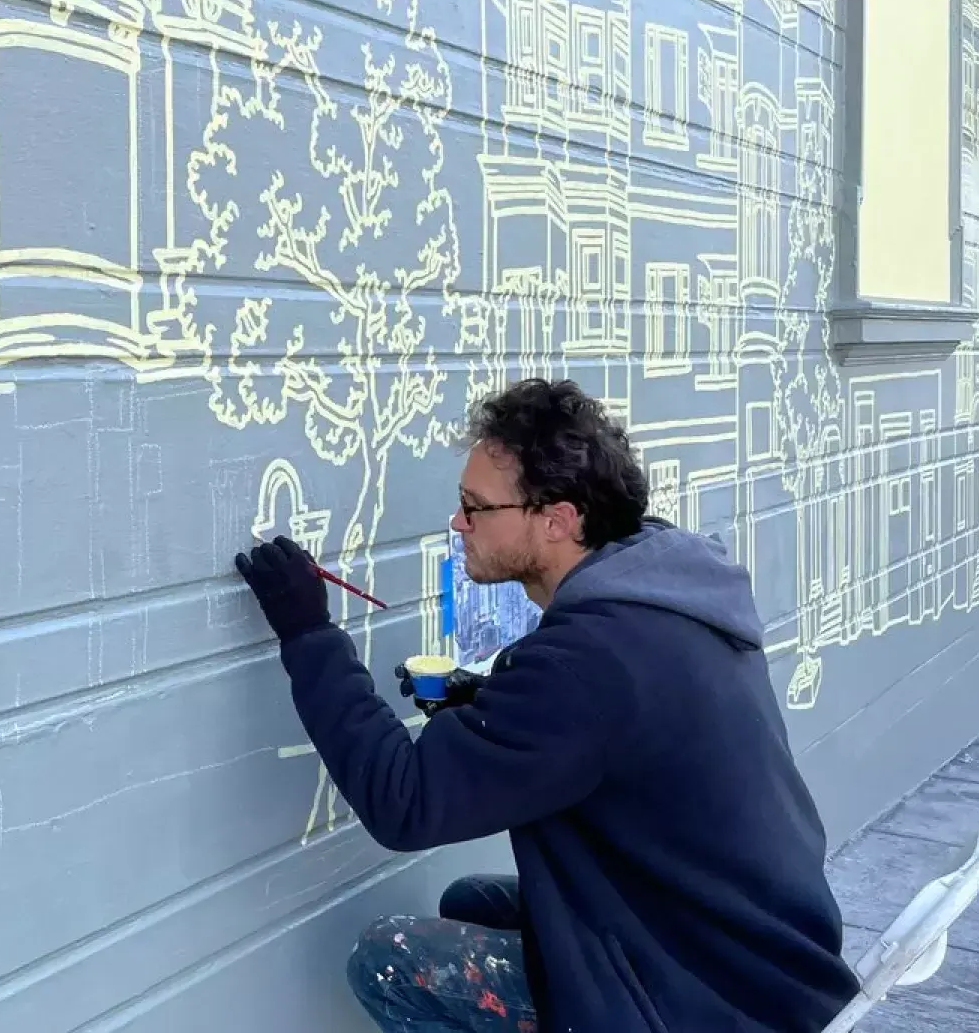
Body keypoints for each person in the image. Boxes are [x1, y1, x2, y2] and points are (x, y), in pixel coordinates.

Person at [234, 378, 860, 1033]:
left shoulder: (589, 661)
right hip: (762, 958)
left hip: (706, 1000)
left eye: (476, 508)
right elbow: (600, 733)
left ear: (556, 520)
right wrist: (481, 698)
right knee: (470, 901)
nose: (458, 523)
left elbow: (406, 804)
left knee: (388, 958)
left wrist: (307, 634)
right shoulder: (662, 597)